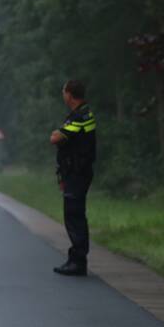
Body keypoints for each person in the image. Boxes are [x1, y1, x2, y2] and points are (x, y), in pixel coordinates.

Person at [49, 79, 97, 276]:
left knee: (74, 215)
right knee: (75, 214)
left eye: (63, 92)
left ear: (69, 94)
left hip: (77, 173)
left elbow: (55, 138)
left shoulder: (79, 117)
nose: (63, 95)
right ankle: (76, 258)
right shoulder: (83, 114)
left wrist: (57, 134)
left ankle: (78, 261)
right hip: (76, 172)